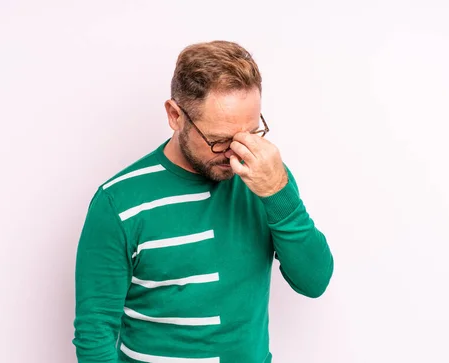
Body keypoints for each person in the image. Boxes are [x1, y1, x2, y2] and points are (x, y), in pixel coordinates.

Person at [73, 40, 334, 363]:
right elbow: (95, 332)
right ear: (175, 115)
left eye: (251, 133)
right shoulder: (117, 202)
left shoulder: (265, 178)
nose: (237, 152)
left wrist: (278, 193)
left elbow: (314, 281)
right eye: (220, 140)